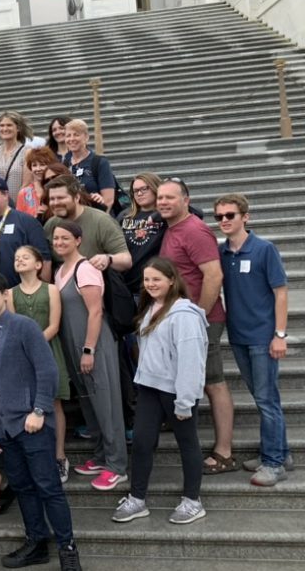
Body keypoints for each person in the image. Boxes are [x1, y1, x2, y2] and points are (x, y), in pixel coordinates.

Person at [0, 272, 83, 571]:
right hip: (4, 427)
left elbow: (47, 371)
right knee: (22, 487)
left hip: (32, 423)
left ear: (4, 296)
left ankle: (67, 548)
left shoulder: (25, 327)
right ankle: (36, 542)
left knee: (48, 486)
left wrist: (39, 410)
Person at [112, 258, 208, 526]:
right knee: (142, 442)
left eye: (156, 279)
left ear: (172, 281)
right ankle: (137, 499)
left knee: (187, 443)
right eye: (146, 279)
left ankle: (192, 501)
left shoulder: (185, 315)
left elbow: (191, 361)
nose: (150, 284)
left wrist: (185, 401)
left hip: (177, 391)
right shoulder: (150, 308)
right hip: (150, 388)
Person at [156, 179, 235, 475]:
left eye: (170, 198)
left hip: (202, 320)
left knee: (213, 383)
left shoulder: (195, 230)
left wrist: (199, 317)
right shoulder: (171, 228)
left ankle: (224, 452)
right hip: (181, 319)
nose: (163, 202)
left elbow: (213, 276)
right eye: (160, 197)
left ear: (186, 200)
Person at [215, 193, 292, 485]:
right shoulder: (222, 254)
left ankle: (273, 463)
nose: (224, 220)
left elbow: (281, 293)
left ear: (245, 217)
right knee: (264, 399)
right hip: (238, 336)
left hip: (263, 337)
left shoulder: (264, 249)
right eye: (219, 216)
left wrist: (280, 335)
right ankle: (280, 453)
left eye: (230, 215)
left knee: (266, 399)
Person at [51, 221, 128, 490]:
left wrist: (89, 349)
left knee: (106, 402)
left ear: (78, 240)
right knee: (88, 401)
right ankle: (100, 455)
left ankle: (117, 464)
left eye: (65, 238)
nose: (59, 242)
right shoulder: (60, 271)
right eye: (56, 239)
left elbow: (95, 312)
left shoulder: (86, 269)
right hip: (71, 343)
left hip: (92, 344)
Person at [8, 246, 69, 482]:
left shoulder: (51, 289)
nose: (20, 260)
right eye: (17, 257)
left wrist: (35, 344)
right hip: (22, 355)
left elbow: (54, 324)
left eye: (25, 257)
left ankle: (60, 455)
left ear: (38, 264)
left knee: (54, 403)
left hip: (49, 349)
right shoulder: (10, 293)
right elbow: (13, 325)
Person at [119, 172, 165, 295]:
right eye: (135, 191)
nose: (139, 193)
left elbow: (195, 212)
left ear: (156, 188)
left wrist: (159, 214)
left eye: (144, 189)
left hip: (153, 286)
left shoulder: (166, 215)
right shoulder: (124, 216)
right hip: (126, 286)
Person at [61, 120, 116, 211]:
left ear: (86, 137)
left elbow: (108, 200)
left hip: (96, 216)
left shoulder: (99, 162)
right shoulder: (64, 164)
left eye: (76, 135)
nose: (71, 139)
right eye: (68, 136)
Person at [0, 111, 33, 201]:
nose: (5, 128)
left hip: (18, 205)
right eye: (2, 125)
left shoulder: (27, 151)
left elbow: (27, 184)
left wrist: (16, 205)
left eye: (9, 125)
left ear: (18, 128)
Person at [16, 147, 58, 219]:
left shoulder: (57, 190)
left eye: (42, 164)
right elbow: (19, 220)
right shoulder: (23, 193)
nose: (38, 169)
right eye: (34, 165)